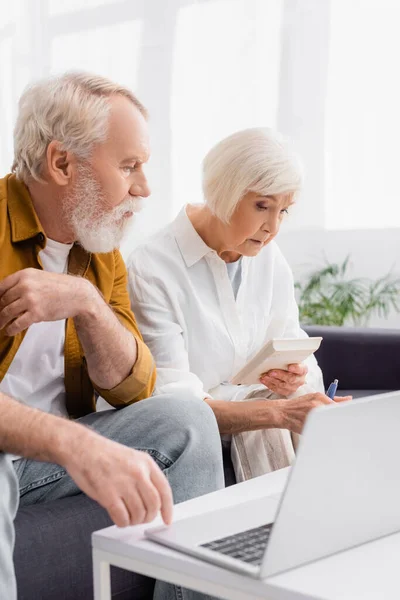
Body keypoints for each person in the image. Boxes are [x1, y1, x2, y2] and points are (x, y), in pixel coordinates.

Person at [0, 72, 224, 600]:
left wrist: (85, 302)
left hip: (41, 463)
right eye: (129, 167)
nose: (144, 189)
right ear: (61, 163)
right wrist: (72, 441)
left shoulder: (101, 252)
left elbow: (132, 388)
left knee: (188, 421)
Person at [128, 128, 350, 483]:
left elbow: (293, 342)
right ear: (223, 192)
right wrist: (276, 409)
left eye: (284, 211)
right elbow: (177, 406)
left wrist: (295, 372)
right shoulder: (152, 268)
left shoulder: (268, 258)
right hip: (193, 425)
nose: (273, 227)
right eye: (262, 206)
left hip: (251, 409)